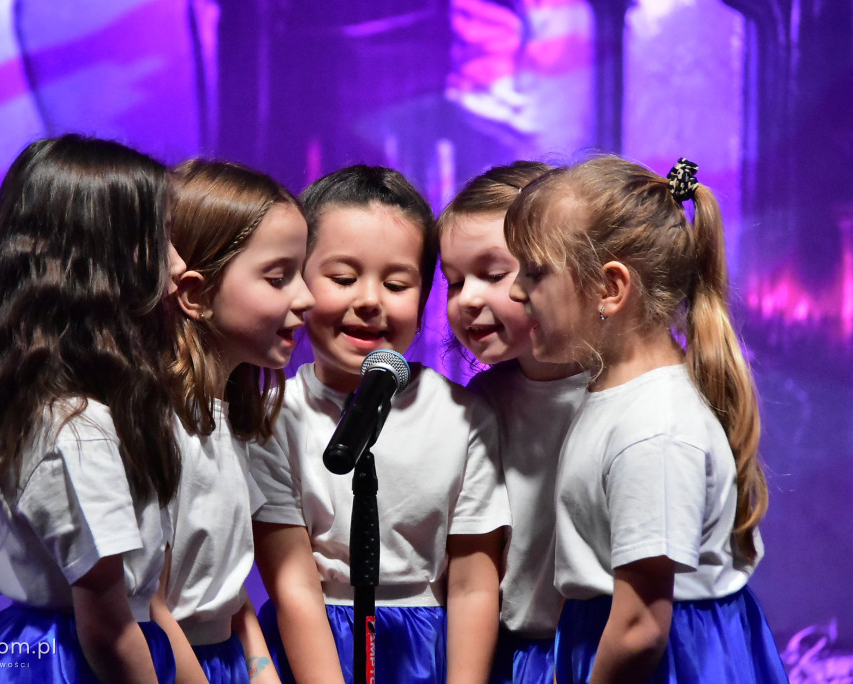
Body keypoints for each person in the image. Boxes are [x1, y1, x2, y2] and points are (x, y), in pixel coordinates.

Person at [505, 154, 790, 683]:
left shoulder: (653, 429)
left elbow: (639, 627)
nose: (517, 291)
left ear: (611, 289)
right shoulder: (620, 397)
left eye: (536, 272)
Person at [0, 134, 185, 683]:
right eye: (162, 239)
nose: (180, 263)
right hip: (70, 664)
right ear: (106, 264)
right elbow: (108, 626)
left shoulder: (57, 412)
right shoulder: (78, 430)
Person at [250, 165, 509, 684]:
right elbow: (293, 584)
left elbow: (473, 584)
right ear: (300, 282)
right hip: (317, 644)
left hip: (429, 647)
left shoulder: (465, 416)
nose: (368, 300)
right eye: (343, 279)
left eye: (395, 283)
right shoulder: (274, 417)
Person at [150, 159, 315, 684]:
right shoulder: (153, 427)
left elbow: (219, 584)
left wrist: (260, 670)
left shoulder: (230, 421)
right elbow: (146, 600)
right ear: (195, 293)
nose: (306, 297)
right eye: (277, 277)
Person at [436, 161, 588, 684]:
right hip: (515, 659)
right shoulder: (480, 404)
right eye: (454, 282)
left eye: (493, 274)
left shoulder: (628, 395)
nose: (468, 298)